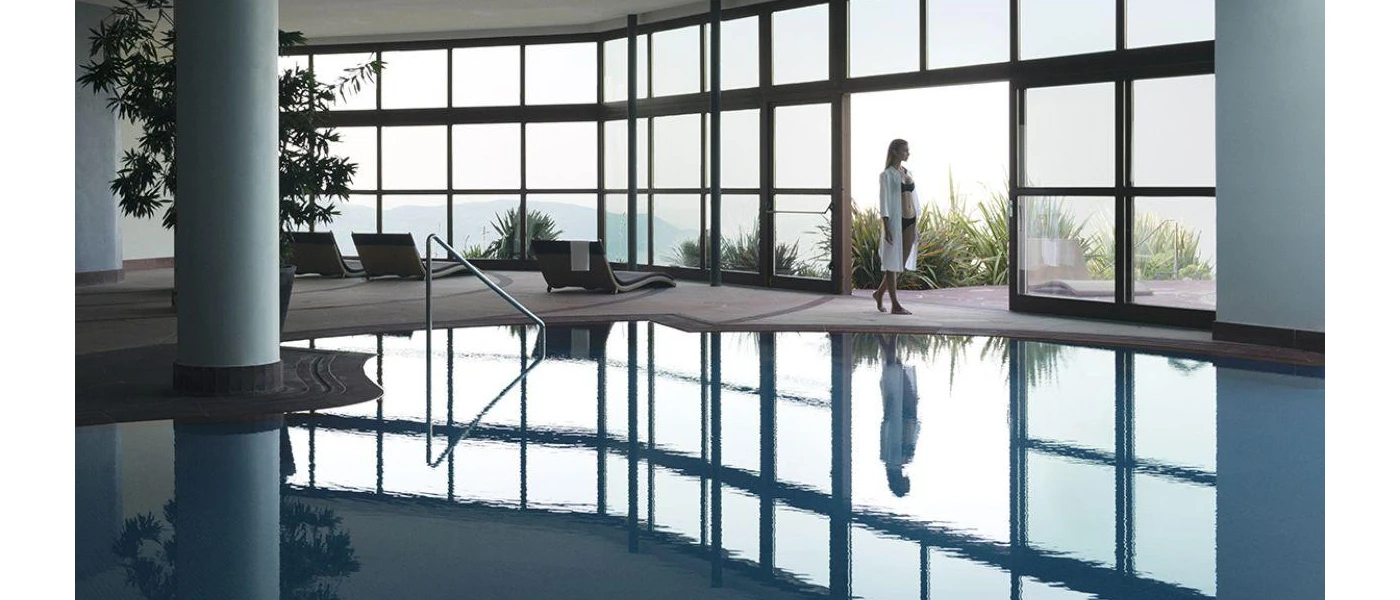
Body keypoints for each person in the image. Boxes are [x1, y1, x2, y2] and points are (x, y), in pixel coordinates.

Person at [873, 139, 920, 315]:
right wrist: (886, 227)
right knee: (892, 264)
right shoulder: (886, 175)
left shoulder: (908, 172)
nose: (908, 153)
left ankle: (879, 294)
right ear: (894, 152)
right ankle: (895, 305)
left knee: (899, 264)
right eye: (905, 150)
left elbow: (914, 199)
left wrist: (917, 225)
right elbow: (883, 201)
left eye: (908, 150)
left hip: (910, 220)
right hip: (894, 221)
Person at [877, 334, 920, 497]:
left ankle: (891, 335)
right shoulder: (891, 462)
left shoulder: (894, 461)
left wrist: (890, 410)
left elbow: (892, 434)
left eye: (905, 484)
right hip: (903, 416)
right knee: (896, 369)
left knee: (896, 370)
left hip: (903, 416)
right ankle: (882, 337)